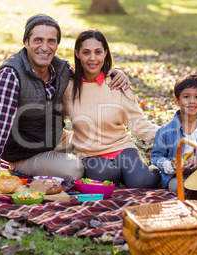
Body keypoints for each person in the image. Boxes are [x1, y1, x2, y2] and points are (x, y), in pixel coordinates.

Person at [0, 14, 130, 184]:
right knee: (74, 168)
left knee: (95, 144)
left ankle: (122, 168)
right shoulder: (10, 75)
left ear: (57, 44)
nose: (45, 47)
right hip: (25, 152)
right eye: (38, 40)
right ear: (26, 42)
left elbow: (89, 81)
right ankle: (21, 167)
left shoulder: (62, 69)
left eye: (51, 41)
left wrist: (113, 74)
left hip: (55, 139)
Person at [62, 29, 160, 188]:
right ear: (77, 54)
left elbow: (138, 124)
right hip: (89, 154)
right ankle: (123, 174)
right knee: (106, 174)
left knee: (142, 182)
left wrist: (173, 137)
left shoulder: (118, 83)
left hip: (121, 147)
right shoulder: (68, 88)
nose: (92, 58)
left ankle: (151, 169)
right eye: (86, 52)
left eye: (98, 52)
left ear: (106, 53)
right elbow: (55, 120)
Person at [151, 74, 197, 192]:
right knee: (176, 186)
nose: (192, 101)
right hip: (178, 176)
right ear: (177, 101)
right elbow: (156, 157)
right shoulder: (165, 131)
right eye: (186, 97)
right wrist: (170, 165)